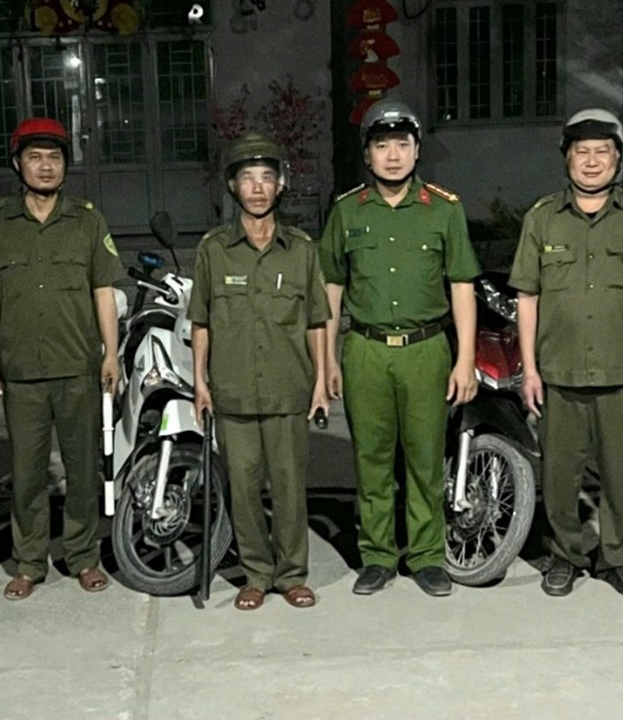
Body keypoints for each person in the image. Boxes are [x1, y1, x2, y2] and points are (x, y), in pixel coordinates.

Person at [508, 109, 623, 599]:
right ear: (567, 158)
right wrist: (530, 370)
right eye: (582, 152)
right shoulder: (542, 218)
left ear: (618, 159)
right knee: (560, 476)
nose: (592, 161)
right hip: (558, 374)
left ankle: (620, 558)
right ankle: (565, 556)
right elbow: (527, 297)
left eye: (603, 152)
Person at [318, 98, 481, 598]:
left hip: (425, 350)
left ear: (417, 151)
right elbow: (331, 289)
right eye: (382, 146)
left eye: (402, 145)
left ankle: (427, 555)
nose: (393, 156)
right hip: (365, 350)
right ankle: (378, 555)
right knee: (371, 459)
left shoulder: (444, 210)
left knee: (425, 459)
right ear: (367, 155)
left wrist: (466, 359)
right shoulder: (347, 211)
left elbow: (461, 285)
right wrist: (326, 359)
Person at [0, 117, 121, 600]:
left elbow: (103, 290)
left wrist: (111, 354)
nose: (46, 166)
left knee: (83, 468)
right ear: (18, 164)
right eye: (35, 157)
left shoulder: (87, 221)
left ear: (66, 166)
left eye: (54, 157)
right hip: (22, 372)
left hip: (77, 366)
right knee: (27, 472)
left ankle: (83, 556)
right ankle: (29, 562)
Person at [190, 132, 331, 610]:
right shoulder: (214, 249)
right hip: (233, 392)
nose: (256, 187)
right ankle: (255, 574)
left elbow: (316, 321)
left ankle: (291, 575)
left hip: (288, 389)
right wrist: (200, 382)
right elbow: (201, 321)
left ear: (280, 185)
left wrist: (320, 383)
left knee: (290, 488)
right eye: (247, 177)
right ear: (232, 185)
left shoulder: (301, 250)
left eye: (266, 177)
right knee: (244, 488)